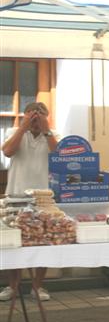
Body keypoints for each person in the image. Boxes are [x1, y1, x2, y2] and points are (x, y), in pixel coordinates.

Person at [1, 102, 59, 302]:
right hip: (15, 196)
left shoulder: (51, 135)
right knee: (14, 242)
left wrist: (47, 130)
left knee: (44, 241)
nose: (35, 120)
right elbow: (7, 151)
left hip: (43, 199)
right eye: (32, 116)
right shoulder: (17, 133)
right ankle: (12, 287)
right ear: (25, 116)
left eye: (40, 116)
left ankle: (37, 286)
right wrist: (24, 127)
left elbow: (59, 158)